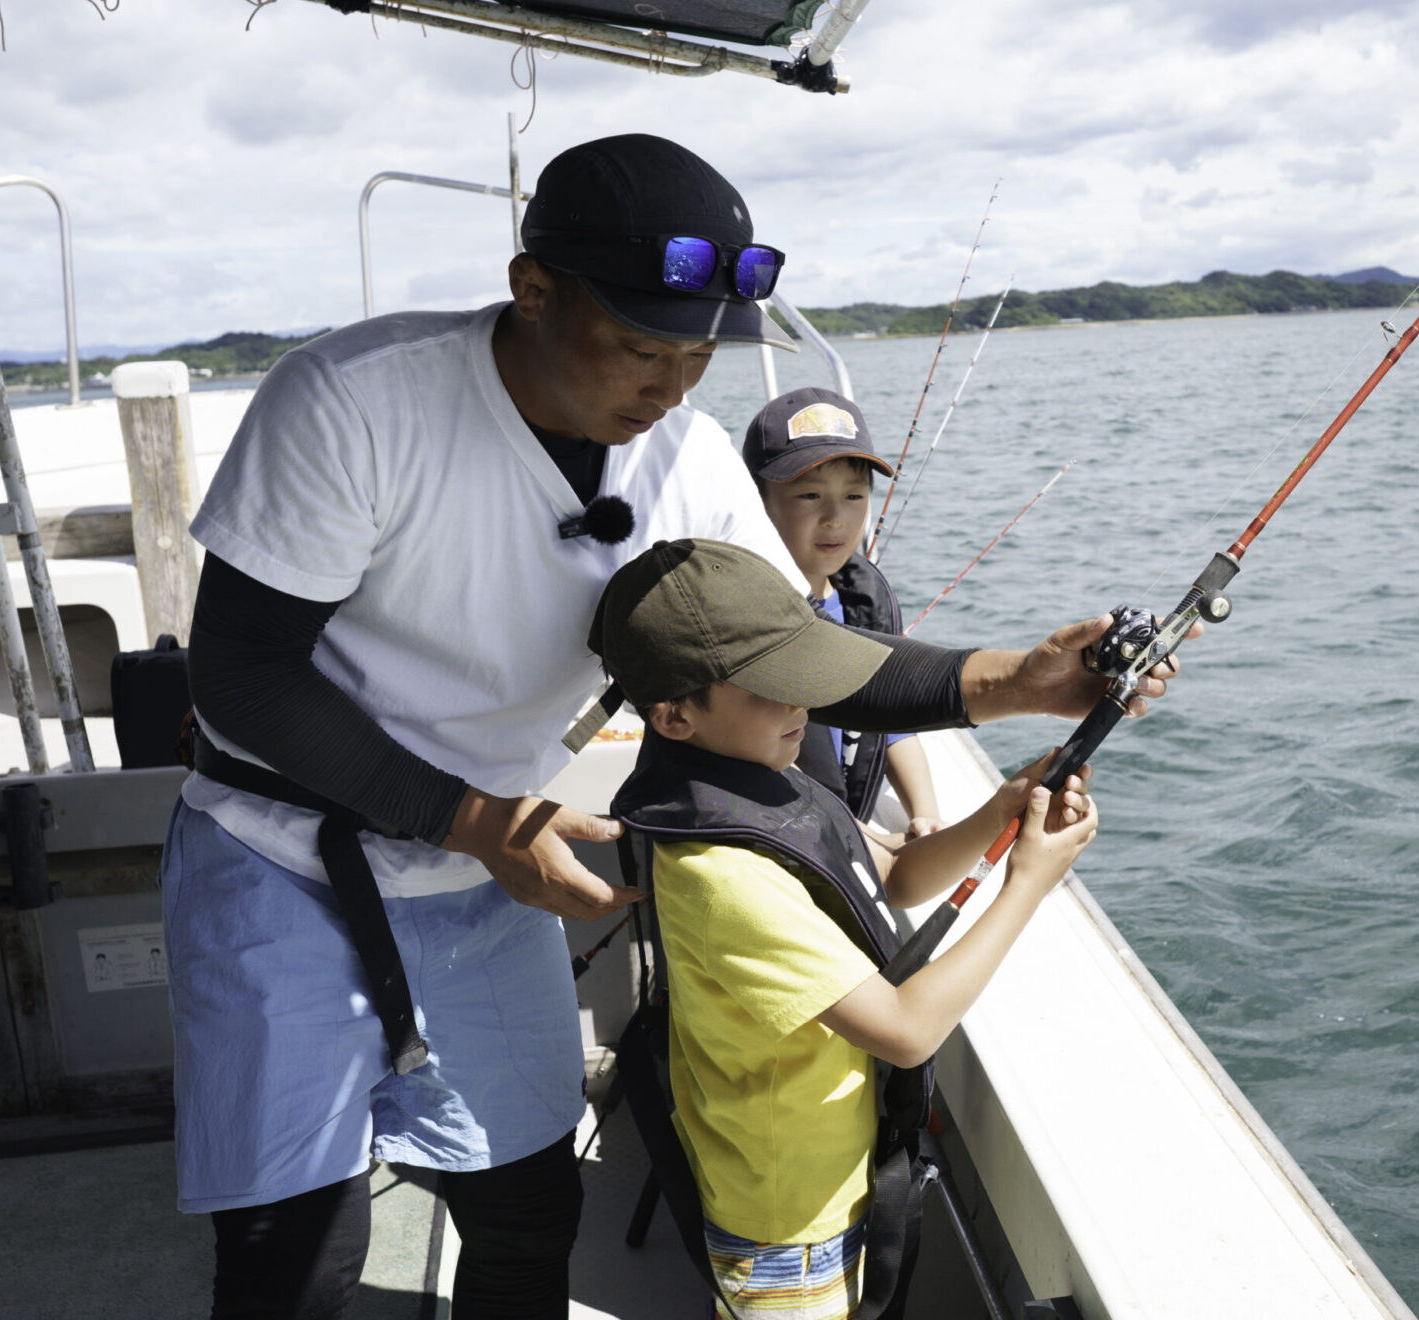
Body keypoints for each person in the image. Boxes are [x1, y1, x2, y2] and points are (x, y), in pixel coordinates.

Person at [164, 131, 1190, 1319]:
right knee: (298, 1257)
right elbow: (239, 674)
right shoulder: (352, 400)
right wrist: (469, 817)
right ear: (533, 288)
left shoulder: (688, 453)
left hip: (493, 865)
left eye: (698, 355)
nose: (670, 387)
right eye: (642, 347)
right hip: (288, 852)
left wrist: (1018, 680)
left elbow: (802, 660)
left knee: (530, 1214)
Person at [593, 539, 1097, 1320]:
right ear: (674, 716)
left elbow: (895, 871)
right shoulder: (719, 874)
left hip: (834, 1172)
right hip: (786, 1222)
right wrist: (1027, 884)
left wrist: (1003, 807)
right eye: (774, 687)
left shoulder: (768, 775)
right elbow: (904, 1030)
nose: (803, 704)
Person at [743, 387, 942, 835]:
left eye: (854, 497)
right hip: (778, 835)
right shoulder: (741, 612)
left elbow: (893, 724)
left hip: (846, 832)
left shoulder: (863, 602)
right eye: (810, 496)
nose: (835, 517)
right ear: (757, 502)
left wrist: (924, 813)